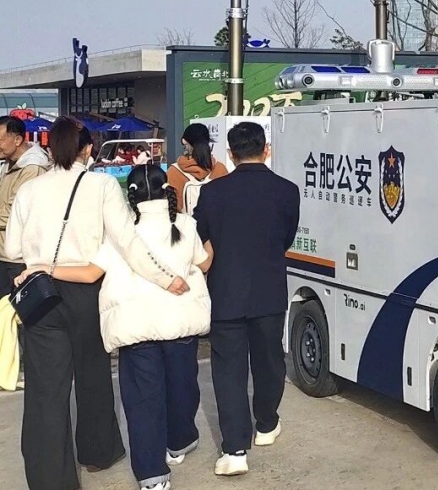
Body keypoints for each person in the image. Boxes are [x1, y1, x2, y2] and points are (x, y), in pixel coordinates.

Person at [6, 117, 192, 490]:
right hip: (86, 290)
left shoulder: (30, 189)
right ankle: (98, 452)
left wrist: (39, 259)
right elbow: (128, 244)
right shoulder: (102, 185)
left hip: (40, 292)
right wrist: (165, 278)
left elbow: (11, 248)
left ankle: (48, 479)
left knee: (45, 392)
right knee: (93, 377)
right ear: (88, 149)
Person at [92, 164, 212, 490]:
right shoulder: (185, 224)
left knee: (143, 401)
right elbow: (204, 262)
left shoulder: (117, 235)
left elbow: (93, 271)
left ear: (129, 196)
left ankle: (152, 475)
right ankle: (180, 440)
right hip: (180, 324)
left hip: (136, 327)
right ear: (164, 190)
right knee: (182, 388)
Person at [193, 121, 299, 476]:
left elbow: (201, 237)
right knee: (270, 362)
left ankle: (235, 449)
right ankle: (267, 424)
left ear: (231, 154)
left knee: (228, 372)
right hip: (269, 290)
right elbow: (286, 238)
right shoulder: (287, 191)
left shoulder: (212, 193)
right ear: (266, 149)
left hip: (226, 292)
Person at [0, 116, 51, 298]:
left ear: (18, 139)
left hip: (18, 257)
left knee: (14, 312)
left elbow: (17, 214)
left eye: (0, 140)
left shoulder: (32, 168)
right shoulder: (7, 164)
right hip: (4, 252)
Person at [167, 122, 228, 214]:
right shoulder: (220, 168)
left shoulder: (174, 171)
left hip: (186, 226)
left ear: (184, 141)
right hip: (215, 225)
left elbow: (172, 205)